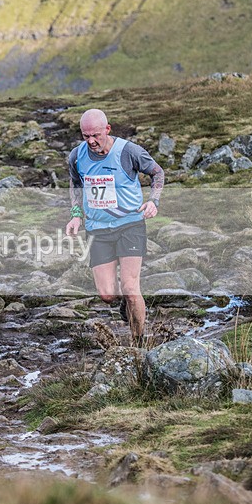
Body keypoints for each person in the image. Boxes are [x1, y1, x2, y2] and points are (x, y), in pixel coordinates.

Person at [65, 109, 165, 347]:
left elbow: (157, 172)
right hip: (98, 229)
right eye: (86, 135)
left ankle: (139, 343)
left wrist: (153, 200)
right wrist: (76, 214)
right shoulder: (77, 156)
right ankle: (125, 303)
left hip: (129, 224)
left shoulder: (128, 151)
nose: (91, 141)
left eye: (96, 135)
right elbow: (75, 184)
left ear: (107, 130)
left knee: (131, 287)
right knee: (107, 295)